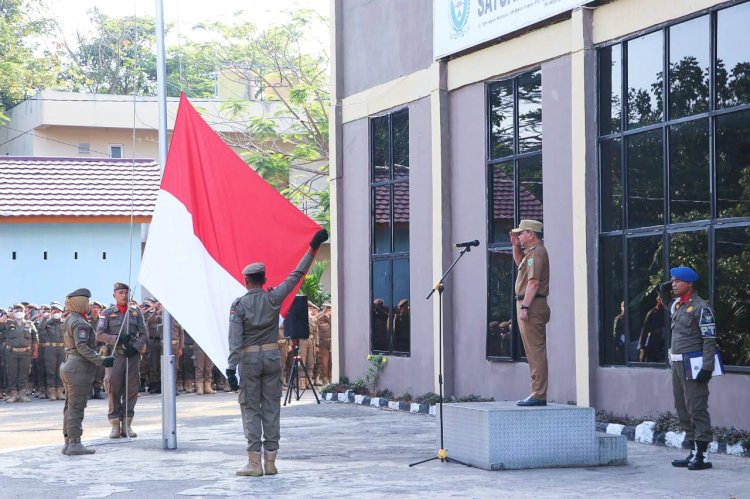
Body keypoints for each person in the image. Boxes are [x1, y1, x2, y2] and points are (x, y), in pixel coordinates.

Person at [226, 228, 328, 477]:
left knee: (251, 409)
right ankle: (271, 462)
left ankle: (254, 463)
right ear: (264, 278)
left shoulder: (239, 305)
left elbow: (235, 339)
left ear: (246, 281)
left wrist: (230, 368)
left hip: (249, 360)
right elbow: (297, 275)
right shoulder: (274, 298)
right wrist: (312, 248)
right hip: (272, 357)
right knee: (271, 408)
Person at [661, 266, 716, 471]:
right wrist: (664, 286)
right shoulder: (678, 305)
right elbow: (665, 299)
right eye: (672, 281)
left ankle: (702, 454)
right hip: (677, 364)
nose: (673, 284)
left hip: (693, 365)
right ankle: (693, 451)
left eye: (677, 281)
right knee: (682, 408)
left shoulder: (702, 308)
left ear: (689, 283)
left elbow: (709, 340)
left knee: (696, 408)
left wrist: (707, 367)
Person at [60, 288, 115, 455]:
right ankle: (75, 444)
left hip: (70, 364)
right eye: (87, 303)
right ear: (80, 303)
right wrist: (102, 360)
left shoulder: (70, 319)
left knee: (69, 407)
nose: (89, 305)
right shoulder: (80, 323)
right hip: (78, 368)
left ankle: (68, 442)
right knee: (76, 407)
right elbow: (82, 346)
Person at [96, 282, 147, 439]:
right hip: (115, 355)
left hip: (132, 356)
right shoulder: (107, 313)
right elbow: (99, 334)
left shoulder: (136, 313)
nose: (124, 295)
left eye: (126, 292)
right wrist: (116, 339)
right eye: (120, 293)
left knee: (131, 390)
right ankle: (115, 424)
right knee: (113, 389)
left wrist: (136, 347)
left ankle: (127, 424)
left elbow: (144, 334)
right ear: (114, 295)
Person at [510, 219, 550, 407]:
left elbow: (533, 283)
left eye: (521, 233)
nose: (519, 236)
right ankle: (537, 392)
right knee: (532, 351)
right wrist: (515, 246)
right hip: (530, 304)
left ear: (531, 234)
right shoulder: (531, 254)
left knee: (535, 351)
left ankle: (538, 394)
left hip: (532, 306)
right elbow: (520, 265)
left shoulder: (537, 254)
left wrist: (525, 307)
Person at [4, 304, 38, 403]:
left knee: (24, 373)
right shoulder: (8, 323)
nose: (19, 312)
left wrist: (35, 352)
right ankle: (13, 394)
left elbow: (35, 339)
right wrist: (8, 314)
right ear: (13, 312)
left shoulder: (30, 324)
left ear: (24, 312)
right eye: (16, 310)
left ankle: (22, 393)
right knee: (12, 373)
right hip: (12, 353)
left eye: (20, 310)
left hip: (26, 353)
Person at [38, 303, 66, 401]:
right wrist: (45, 318)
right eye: (54, 312)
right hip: (50, 349)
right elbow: (40, 328)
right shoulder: (47, 323)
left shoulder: (65, 323)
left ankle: (60, 391)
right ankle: (52, 392)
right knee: (51, 371)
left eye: (58, 312)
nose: (56, 313)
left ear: (61, 313)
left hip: (62, 349)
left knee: (61, 371)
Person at [638, 296, 666, 362]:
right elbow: (645, 330)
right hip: (653, 342)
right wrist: (642, 347)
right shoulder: (652, 313)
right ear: (658, 300)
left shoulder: (668, 311)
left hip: (664, 342)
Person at [316, 302, 332, 386]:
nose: (330, 312)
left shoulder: (333, 318)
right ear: (326, 310)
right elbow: (316, 332)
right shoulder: (319, 319)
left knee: (331, 362)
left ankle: (331, 378)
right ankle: (324, 380)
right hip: (323, 343)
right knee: (324, 362)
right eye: (329, 310)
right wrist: (316, 345)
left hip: (331, 343)